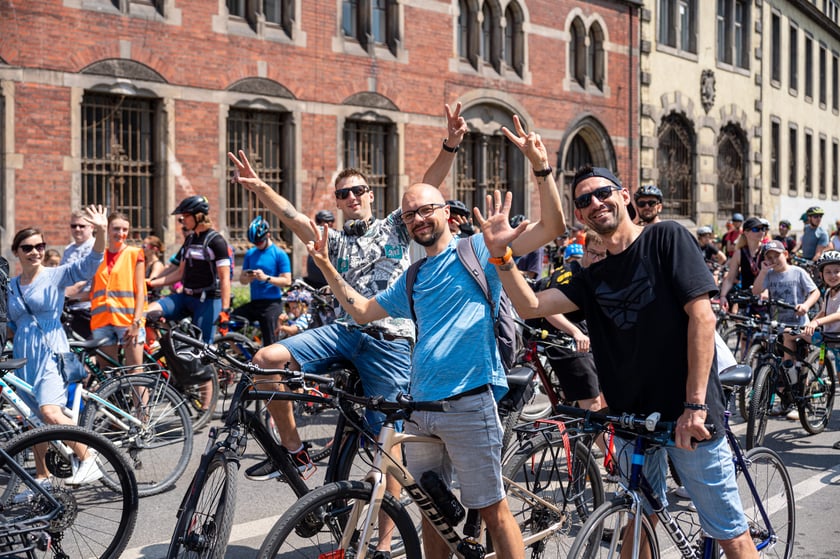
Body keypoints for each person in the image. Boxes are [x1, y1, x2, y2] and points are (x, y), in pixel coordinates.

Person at [307, 113, 564, 559]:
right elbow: (363, 311)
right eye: (410, 214)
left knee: (491, 510)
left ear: (445, 212)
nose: (419, 218)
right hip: (420, 407)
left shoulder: (479, 249)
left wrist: (541, 169)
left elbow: (551, 229)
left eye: (427, 209)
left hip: (469, 401)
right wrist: (328, 267)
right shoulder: (410, 277)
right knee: (432, 514)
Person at [485, 164, 761, 559]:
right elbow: (530, 307)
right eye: (584, 201)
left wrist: (695, 405)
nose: (596, 203)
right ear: (579, 215)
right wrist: (503, 258)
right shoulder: (593, 277)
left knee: (730, 536)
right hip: (633, 420)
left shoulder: (666, 238)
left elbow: (703, 317)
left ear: (624, 195)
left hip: (687, 416)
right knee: (638, 519)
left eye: (603, 193)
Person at [229, 102, 468, 556]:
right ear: (337, 204)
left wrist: (451, 142)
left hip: (391, 339)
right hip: (344, 331)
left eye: (358, 190)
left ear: (371, 195)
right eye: (343, 195)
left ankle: (380, 542)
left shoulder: (396, 228)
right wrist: (259, 187)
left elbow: (430, 184)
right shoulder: (333, 241)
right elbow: (295, 219)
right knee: (265, 360)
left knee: (389, 449)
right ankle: (296, 450)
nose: (352, 198)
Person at [8, 205, 109, 485]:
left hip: (50, 351)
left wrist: (100, 231)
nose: (35, 252)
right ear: (17, 252)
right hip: (22, 356)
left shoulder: (55, 275)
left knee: (50, 412)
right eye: (28, 247)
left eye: (40, 246)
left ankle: (89, 458)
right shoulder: (11, 286)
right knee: (33, 422)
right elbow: (10, 325)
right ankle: (42, 478)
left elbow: (89, 265)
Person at [147, 195, 232, 410]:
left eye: (184, 217)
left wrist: (225, 309)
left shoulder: (216, 241)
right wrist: (151, 283)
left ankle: (206, 407)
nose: (182, 221)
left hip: (207, 300)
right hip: (185, 296)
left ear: (197, 216)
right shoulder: (191, 239)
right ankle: (172, 361)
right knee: (148, 312)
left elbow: (225, 278)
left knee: (203, 351)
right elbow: (178, 273)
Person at [752, 239, 820, 419]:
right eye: (769, 257)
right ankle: (787, 400)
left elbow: (815, 292)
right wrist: (763, 271)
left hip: (800, 324)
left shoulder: (797, 272)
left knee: (802, 362)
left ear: (786, 255)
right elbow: (756, 290)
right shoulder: (770, 274)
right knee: (785, 364)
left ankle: (802, 402)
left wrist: (805, 305)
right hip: (781, 326)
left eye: (777, 255)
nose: (774, 259)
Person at [89, 212, 148, 369]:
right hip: (102, 321)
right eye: (116, 229)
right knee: (107, 372)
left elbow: (141, 291)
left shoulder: (134, 254)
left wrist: (137, 321)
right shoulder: (98, 256)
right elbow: (93, 289)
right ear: (107, 229)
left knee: (135, 372)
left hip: (128, 321)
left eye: (124, 229)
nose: (120, 234)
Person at [801, 251, 840, 448]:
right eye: (828, 272)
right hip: (828, 338)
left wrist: (818, 323)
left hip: (839, 340)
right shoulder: (827, 292)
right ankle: (802, 377)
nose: (833, 275)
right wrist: (812, 322)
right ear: (822, 275)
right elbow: (824, 311)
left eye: (837, 271)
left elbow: (838, 315)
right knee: (794, 334)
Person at [234, 215, 292, 346]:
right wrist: (247, 277)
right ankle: (244, 355)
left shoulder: (279, 254)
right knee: (229, 324)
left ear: (268, 235)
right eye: (254, 243)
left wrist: (266, 278)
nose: (257, 245)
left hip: (271, 305)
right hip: (255, 303)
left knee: (271, 344)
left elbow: (287, 281)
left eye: (259, 242)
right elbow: (242, 280)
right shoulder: (250, 254)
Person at [719, 216, 769, 311]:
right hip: (746, 298)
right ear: (746, 232)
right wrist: (723, 296)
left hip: (765, 298)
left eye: (762, 229)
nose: (761, 232)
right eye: (756, 229)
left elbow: (776, 275)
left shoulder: (767, 250)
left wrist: (767, 291)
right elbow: (730, 279)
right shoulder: (739, 253)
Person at [61, 209, 97, 339]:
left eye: (82, 226)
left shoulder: (94, 248)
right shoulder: (69, 249)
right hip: (69, 306)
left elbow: (83, 280)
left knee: (87, 352)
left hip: (86, 307)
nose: (77, 229)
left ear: (92, 227)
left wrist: (62, 295)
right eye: (73, 226)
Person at [304, 210, 335, 289]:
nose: (330, 224)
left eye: (331, 221)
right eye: (326, 221)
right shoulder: (314, 237)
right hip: (314, 284)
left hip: (328, 284)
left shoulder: (335, 238)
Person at [142, 235, 166, 302]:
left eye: (144, 246)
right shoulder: (145, 263)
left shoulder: (157, 264)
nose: (142, 248)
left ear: (154, 249)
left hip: (152, 299)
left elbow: (151, 281)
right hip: (143, 297)